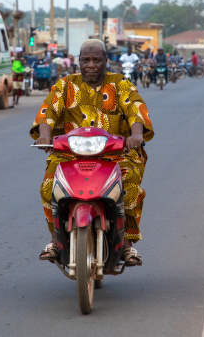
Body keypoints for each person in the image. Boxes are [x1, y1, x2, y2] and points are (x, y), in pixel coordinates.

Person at [30, 39, 154, 265]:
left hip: (115, 154)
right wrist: (45, 135)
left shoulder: (119, 84)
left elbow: (135, 108)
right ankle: (55, 241)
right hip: (70, 154)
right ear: (78, 61)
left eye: (97, 60)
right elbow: (47, 112)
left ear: (106, 61)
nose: (91, 65)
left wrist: (136, 134)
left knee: (129, 184)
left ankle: (127, 245)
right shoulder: (66, 85)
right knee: (49, 186)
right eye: (86, 60)